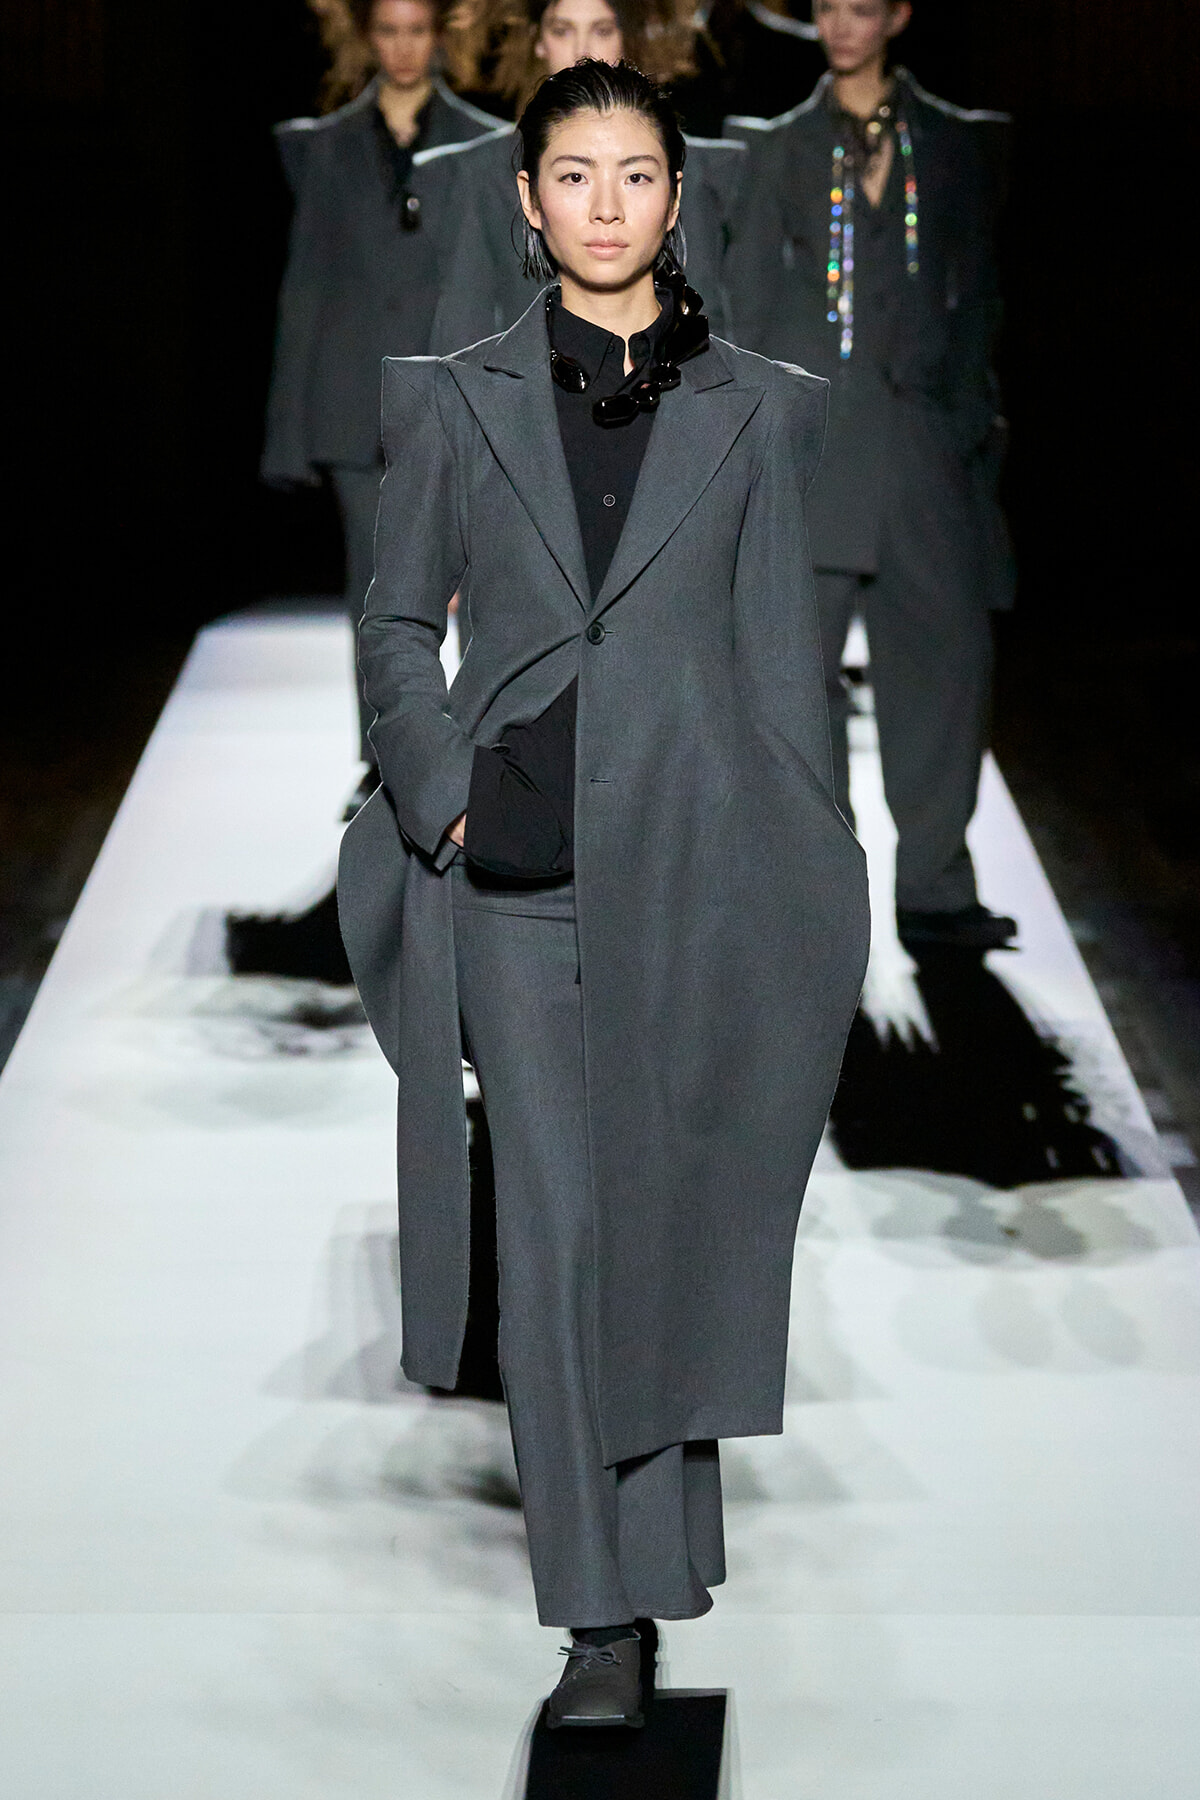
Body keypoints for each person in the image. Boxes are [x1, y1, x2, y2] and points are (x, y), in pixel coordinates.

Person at [338, 58, 869, 1726]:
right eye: (575, 175)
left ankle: (656, 1564)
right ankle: (598, 1619)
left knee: (670, 1224)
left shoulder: (759, 410)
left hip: (701, 875)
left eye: (637, 174)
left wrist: (817, 896)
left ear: (677, 194)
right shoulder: (455, 400)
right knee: (560, 1239)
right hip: (520, 883)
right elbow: (393, 622)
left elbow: (787, 679)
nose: (607, 205)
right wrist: (440, 792)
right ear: (527, 198)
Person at [729, 0, 1017, 951]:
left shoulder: (960, 144)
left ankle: (934, 889)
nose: (841, 25)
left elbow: (981, 297)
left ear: (898, 14)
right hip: (813, 451)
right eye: (826, 7)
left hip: (926, 449)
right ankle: (817, 895)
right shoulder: (775, 147)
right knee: (794, 682)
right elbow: (746, 304)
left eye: (861, 7)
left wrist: (964, 420)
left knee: (943, 670)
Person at [260, 0, 504, 781]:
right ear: (368, 37)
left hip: (453, 393)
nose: (403, 47)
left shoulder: (487, 143)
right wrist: (288, 428)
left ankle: (480, 750)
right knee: (376, 593)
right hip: (352, 397)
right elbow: (305, 284)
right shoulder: (326, 147)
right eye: (389, 31)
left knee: (483, 581)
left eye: (416, 30)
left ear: (440, 35)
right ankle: (386, 763)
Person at [429, 0, 746, 350]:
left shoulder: (684, 169)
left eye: (602, 31)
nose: (582, 51)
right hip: (526, 380)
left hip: (659, 377)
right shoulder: (482, 172)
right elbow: (463, 319)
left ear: (628, 38)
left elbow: (702, 316)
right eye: (562, 31)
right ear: (538, 40)